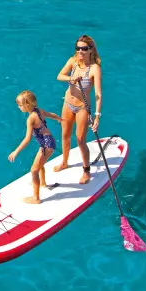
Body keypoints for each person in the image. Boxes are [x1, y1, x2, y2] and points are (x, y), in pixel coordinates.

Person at [52, 35, 103, 184]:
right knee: (65, 135)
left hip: (82, 108)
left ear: (91, 50)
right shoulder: (73, 61)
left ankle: (86, 170)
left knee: (80, 139)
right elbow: (59, 76)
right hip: (67, 104)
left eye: (84, 48)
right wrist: (71, 79)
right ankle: (65, 162)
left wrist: (97, 116)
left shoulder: (94, 69)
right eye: (78, 48)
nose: (80, 51)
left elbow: (98, 94)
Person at [8, 90, 63, 204]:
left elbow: (27, 138)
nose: (19, 107)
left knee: (34, 170)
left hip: (46, 145)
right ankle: (42, 183)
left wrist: (16, 151)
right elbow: (50, 114)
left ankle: (36, 198)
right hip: (49, 142)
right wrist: (59, 118)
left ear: (27, 104)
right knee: (38, 164)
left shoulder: (30, 119)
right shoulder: (39, 111)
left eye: (20, 105)